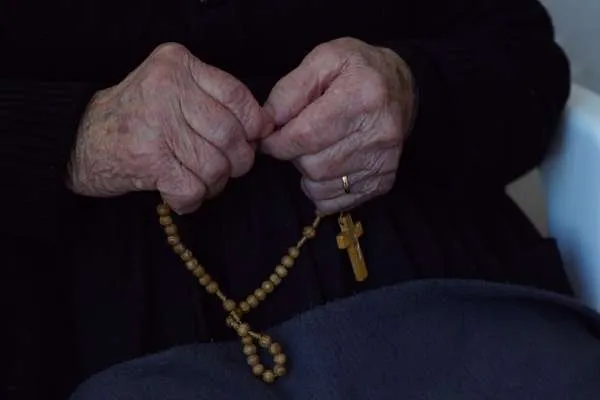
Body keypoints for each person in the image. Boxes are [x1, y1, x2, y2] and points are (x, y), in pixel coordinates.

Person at [1, 0, 589, 398]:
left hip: (431, 281)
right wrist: (75, 136)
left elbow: (525, 61)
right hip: (89, 324)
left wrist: (412, 86)